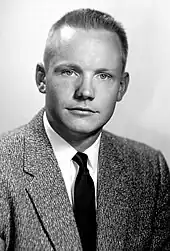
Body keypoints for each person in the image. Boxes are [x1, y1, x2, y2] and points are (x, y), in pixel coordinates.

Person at [0, 8, 170, 251]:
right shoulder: (3, 165)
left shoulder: (150, 169)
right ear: (42, 78)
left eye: (103, 76)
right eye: (69, 72)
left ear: (121, 87)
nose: (86, 92)